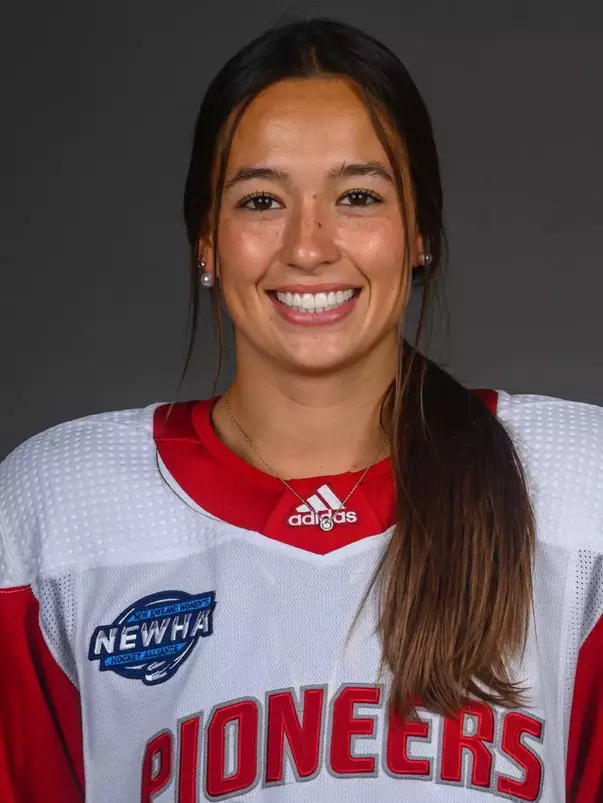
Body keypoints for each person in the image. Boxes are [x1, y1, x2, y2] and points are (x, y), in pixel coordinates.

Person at [0, 16, 601, 803]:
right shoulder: (60, 513)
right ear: (206, 241)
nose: (308, 246)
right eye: (260, 200)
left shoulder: (576, 491)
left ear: (418, 233)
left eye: (357, 197)